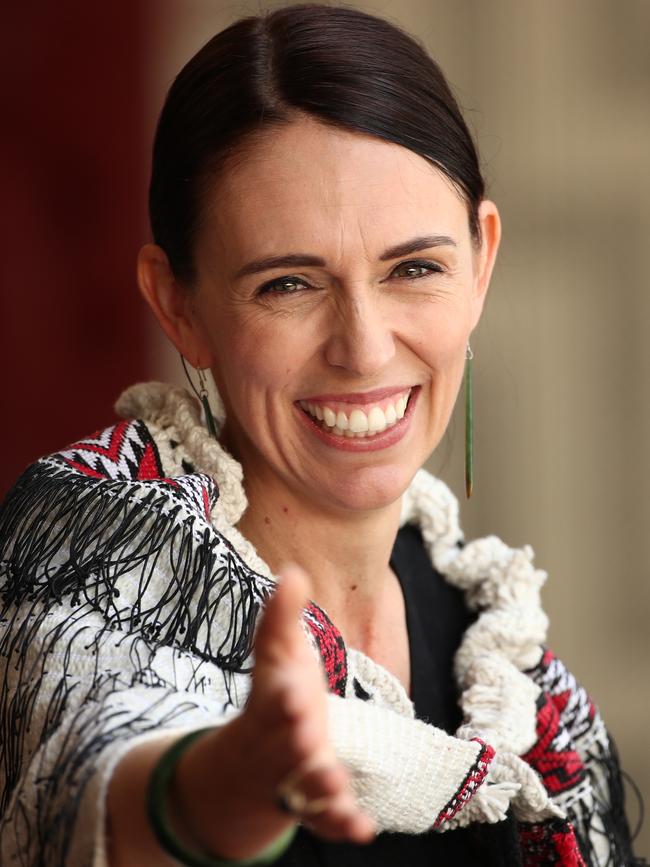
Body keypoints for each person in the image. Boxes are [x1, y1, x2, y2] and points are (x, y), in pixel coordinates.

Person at [0, 5, 643, 866]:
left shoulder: (507, 667)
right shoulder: (93, 544)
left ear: (481, 263)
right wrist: (219, 790)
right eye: (289, 284)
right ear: (178, 305)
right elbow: (93, 776)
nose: (365, 348)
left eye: (415, 268)